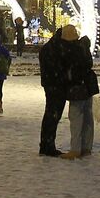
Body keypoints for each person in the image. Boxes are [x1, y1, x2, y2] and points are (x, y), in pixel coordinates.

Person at [37, 26, 74, 157]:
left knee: (51, 115)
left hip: (51, 85)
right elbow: (59, 67)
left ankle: (46, 144)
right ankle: (48, 146)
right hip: (56, 85)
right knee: (52, 115)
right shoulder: (57, 48)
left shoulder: (50, 47)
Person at [62, 35, 98, 158]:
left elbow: (72, 71)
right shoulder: (85, 50)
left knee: (76, 118)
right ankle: (86, 147)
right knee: (87, 118)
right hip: (87, 87)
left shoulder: (74, 51)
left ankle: (75, 149)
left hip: (78, 89)